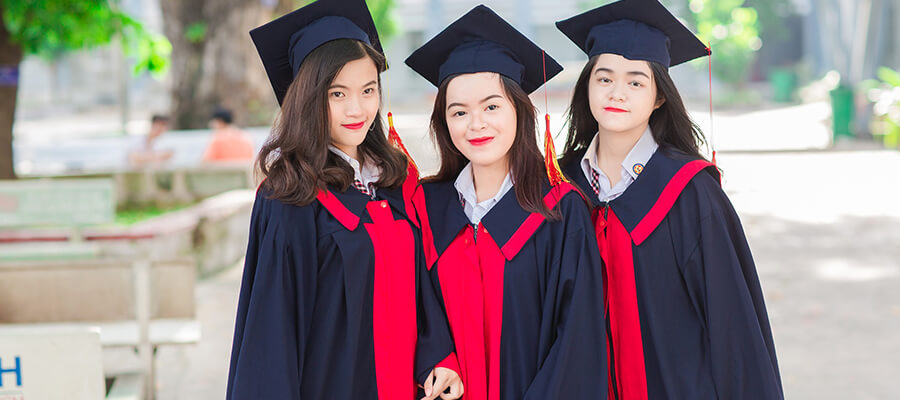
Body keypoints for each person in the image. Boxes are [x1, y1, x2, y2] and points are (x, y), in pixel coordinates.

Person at [227, 0, 461, 398]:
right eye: (338, 93)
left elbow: (421, 288)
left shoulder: (394, 181)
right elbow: (273, 334)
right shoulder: (290, 197)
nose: (357, 109)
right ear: (307, 97)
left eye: (368, 90)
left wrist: (437, 357)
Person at [555, 0, 783, 398]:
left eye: (636, 82)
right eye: (604, 79)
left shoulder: (690, 190)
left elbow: (731, 321)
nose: (617, 93)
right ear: (587, 87)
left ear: (659, 97)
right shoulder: (558, 183)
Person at [405, 5, 607, 399]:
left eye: (492, 106)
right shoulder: (426, 207)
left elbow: (578, 342)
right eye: (459, 111)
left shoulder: (561, 212)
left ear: (520, 109)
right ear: (444, 123)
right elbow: (414, 307)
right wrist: (437, 357)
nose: (476, 124)